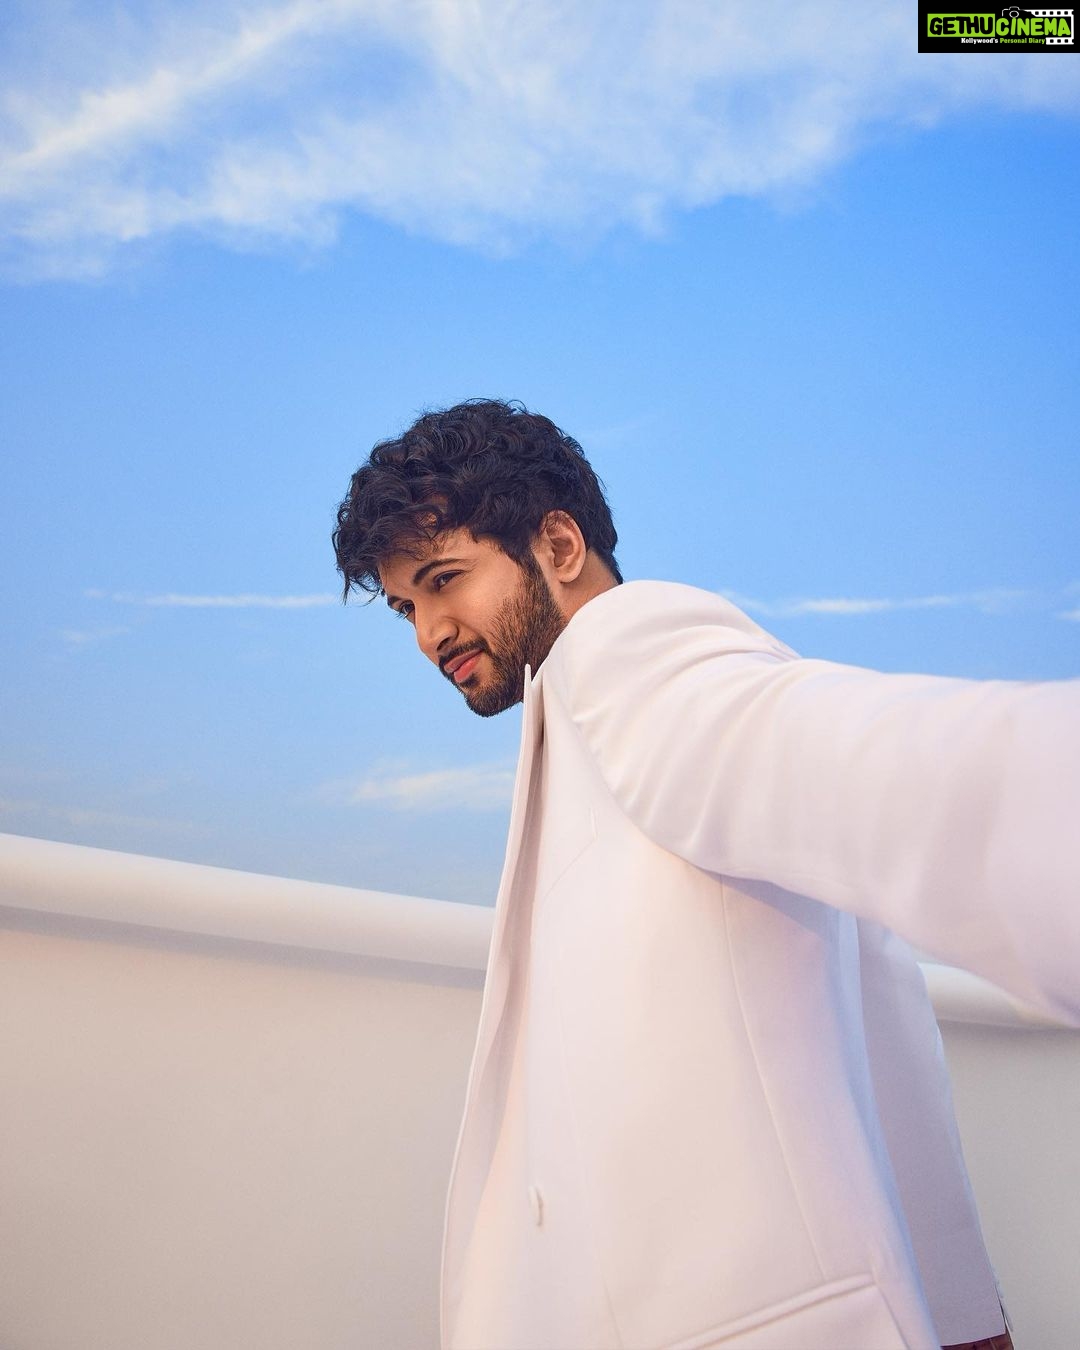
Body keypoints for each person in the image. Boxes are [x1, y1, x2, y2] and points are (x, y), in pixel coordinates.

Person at [334, 399, 1075, 1349]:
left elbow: (884, 771)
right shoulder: (571, 725)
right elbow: (882, 1033)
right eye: (407, 606)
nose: (430, 633)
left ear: (558, 545)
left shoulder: (634, 653)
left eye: (445, 581)